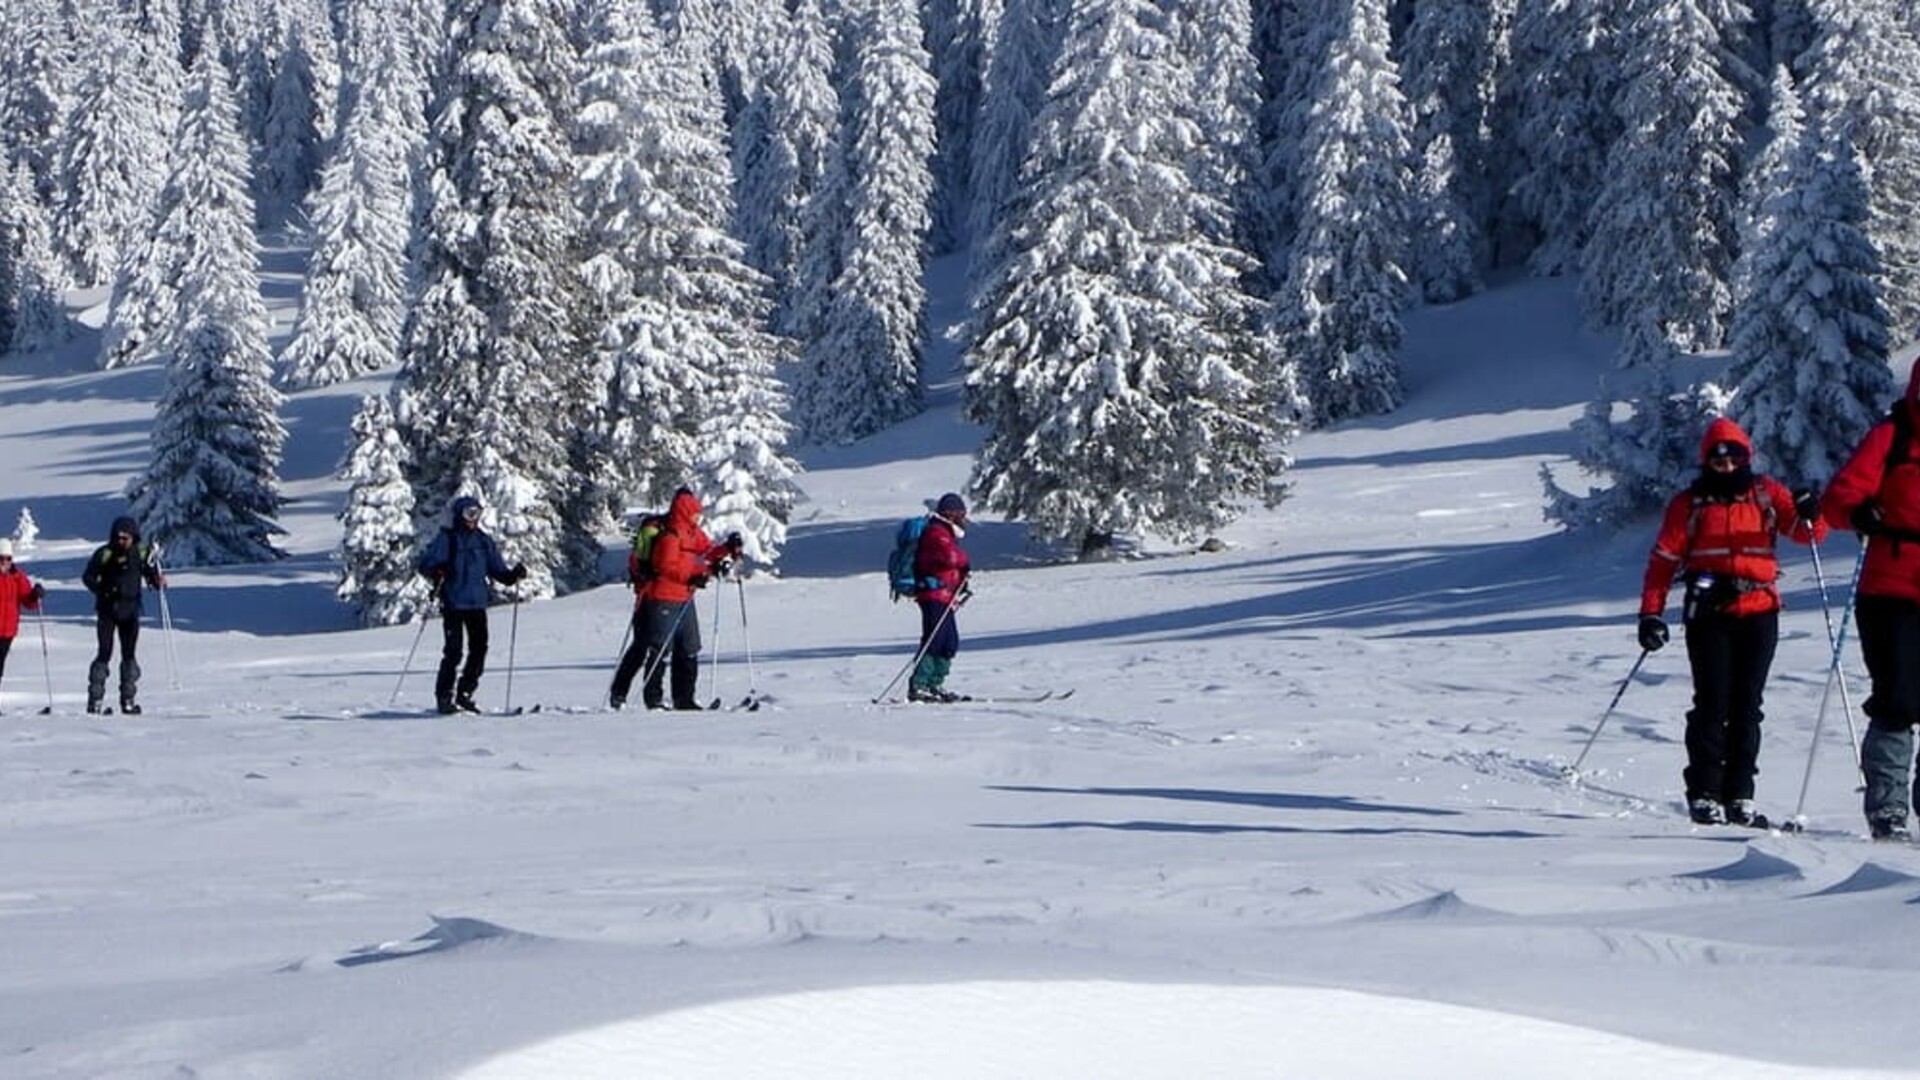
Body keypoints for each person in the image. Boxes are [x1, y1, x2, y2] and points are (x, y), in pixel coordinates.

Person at [1637, 418, 1825, 826]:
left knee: (1747, 707)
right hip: (1709, 613)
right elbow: (1663, 561)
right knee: (1711, 703)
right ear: (1707, 460)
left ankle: (1741, 795)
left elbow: (1807, 533)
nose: (1725, 465)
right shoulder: (1689, 503)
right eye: (1718, 459)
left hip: (1759, 610)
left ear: (1746, 456)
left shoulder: (1766, 493)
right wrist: (1651, 613)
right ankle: (1704, 792)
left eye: (1733, 457)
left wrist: (1813, 511)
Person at [1819, 358, 1920, 840]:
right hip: (1889, 589)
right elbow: (1839, 498)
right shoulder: (1892, 435)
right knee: (1897, 699)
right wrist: (1861, 511)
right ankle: (1888, 809)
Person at [609, 487, 741, 711]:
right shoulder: (671, 536)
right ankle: (653, 699)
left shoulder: (692, 532)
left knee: (688, 646)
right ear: (684, 511)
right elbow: (665, 567)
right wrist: (695, 576)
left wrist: (727, 550)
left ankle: (684, 698)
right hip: (662, 597)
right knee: (658, 649)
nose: (698, 517)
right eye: (695, 513)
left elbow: (707, 551)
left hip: (684, 596)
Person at [417, 495, 525, 715]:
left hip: (477, 604)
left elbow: (498, 570)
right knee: (454, 652)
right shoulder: (448, 539)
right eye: (469, 513)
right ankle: (444, 697)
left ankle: (465, 693)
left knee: (479, 650)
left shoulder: (483, 541)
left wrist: (513, 575)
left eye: (476, 513)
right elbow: (426, 564)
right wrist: (438, 571)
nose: (473, 519)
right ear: (459, 515)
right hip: (454, 604)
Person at [80, 515, 165, 714]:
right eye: (118, 537)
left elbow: (149, 573)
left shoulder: (140, 553)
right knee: (105, 652)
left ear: (133, 537)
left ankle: (127, 700)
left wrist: (156, 581)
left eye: (125, 537)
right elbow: (88, 577)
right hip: (107, 611)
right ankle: (95, 701)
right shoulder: (105, 553)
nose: (121, 541)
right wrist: (102, 589)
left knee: (129, 655)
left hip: (130, 611)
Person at [908, 493, 973, 703]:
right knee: (934, 639)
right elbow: (951, 557)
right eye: (961, 514)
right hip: (933, 594)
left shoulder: (945, 532)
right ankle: (919, 685)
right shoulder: (936, 532)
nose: (964, 518)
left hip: (945, 597)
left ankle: (935, 684)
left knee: (949, 642)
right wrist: (964, 561)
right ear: (950, 514)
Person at [0, 538, 46, 705]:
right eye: (1, 558)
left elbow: (28, 601)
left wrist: (35, 594)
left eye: (8, 558)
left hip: (8, 631)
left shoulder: (18, 578)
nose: (4, 562)